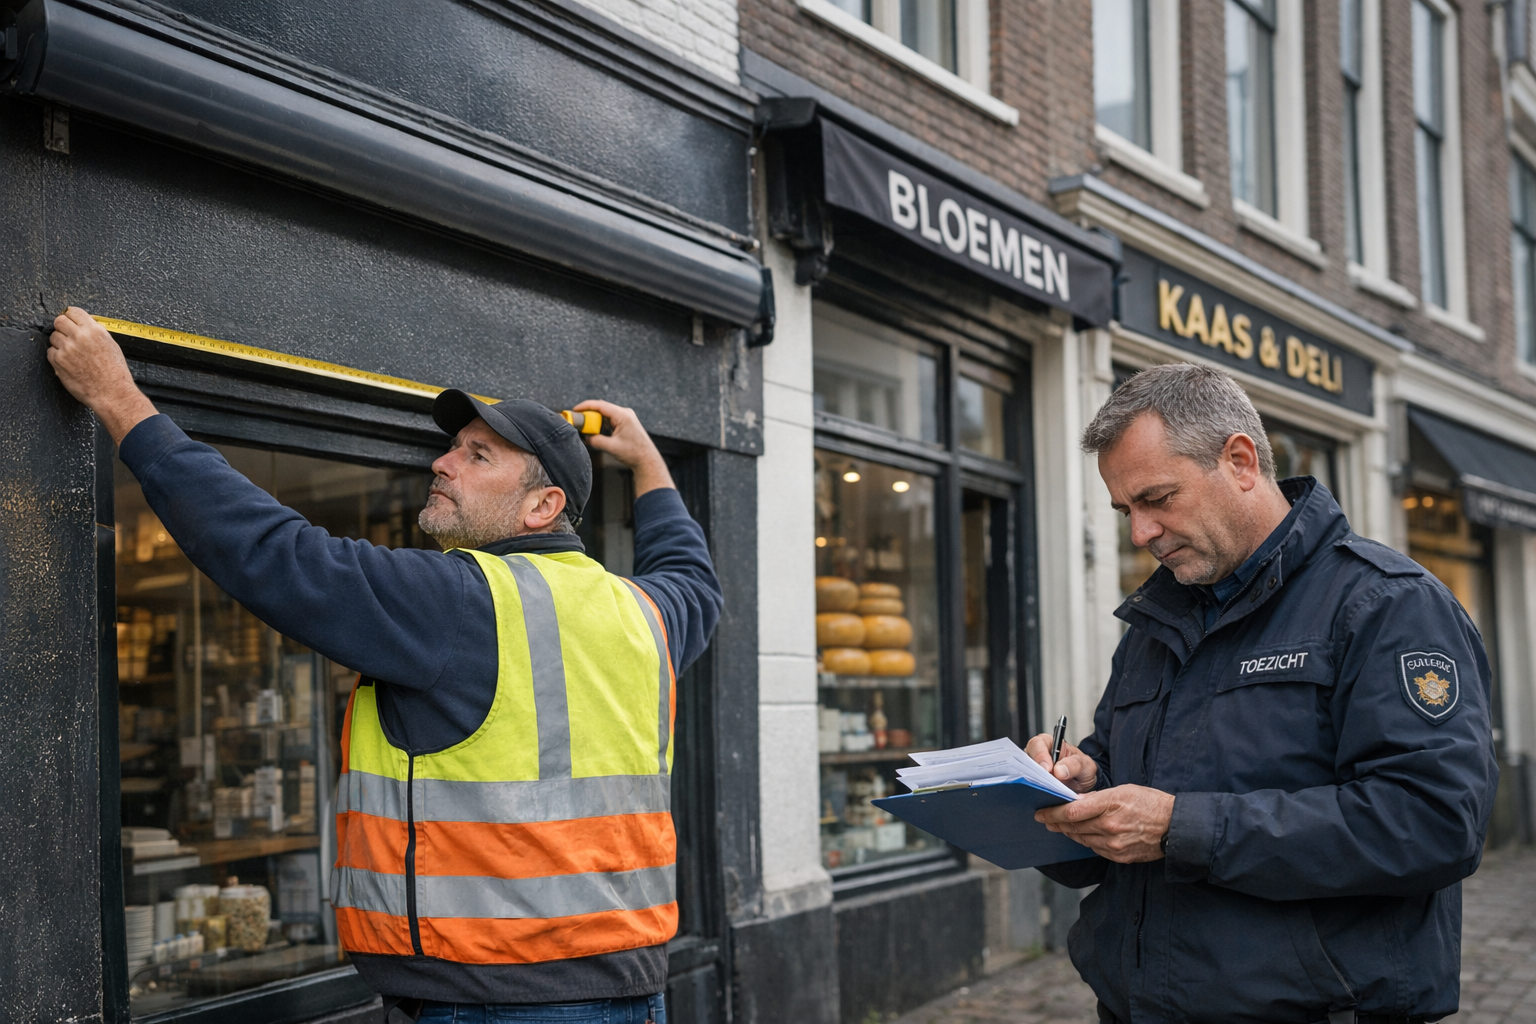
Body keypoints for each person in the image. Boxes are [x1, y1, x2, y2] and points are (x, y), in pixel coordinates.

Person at [46, 306, 721, 1024]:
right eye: (453, 447)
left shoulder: (462, 599)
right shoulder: (646, 614)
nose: (441, 463)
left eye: (477, 457)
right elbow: (694, 579)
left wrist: (120, 400)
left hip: (498, 1005)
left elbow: (273, 552)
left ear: (542, 506)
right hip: (629, 994)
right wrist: (648, 463)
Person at [1021, 363, 1497, 1024]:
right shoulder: (1156, 624)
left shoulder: (1385, 605)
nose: (1140, 533)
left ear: (1240, 462)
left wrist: (1180, 828)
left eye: (1157, 498)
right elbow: (1130, 784)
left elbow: (1434, 823)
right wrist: (1077, 784)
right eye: (1126, 510)